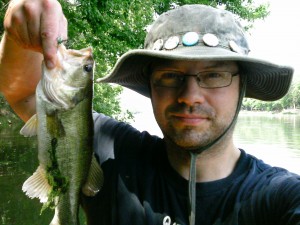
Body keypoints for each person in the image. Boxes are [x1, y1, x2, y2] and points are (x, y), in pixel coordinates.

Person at [0, 0, 299, 225]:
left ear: (242, 87)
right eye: (170, 76)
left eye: (214, 75)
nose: (190, 96)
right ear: (151, 87)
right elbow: (26, 94)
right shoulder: (110, 149)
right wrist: (21, 34)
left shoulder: (281, 197)